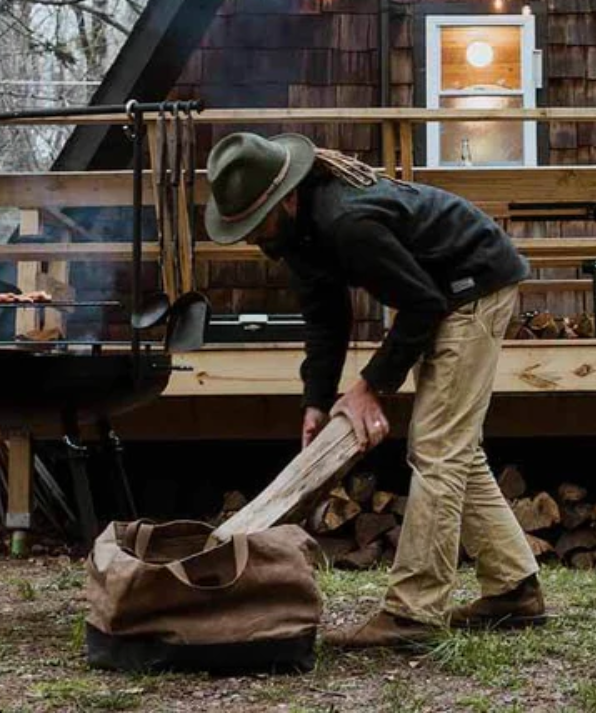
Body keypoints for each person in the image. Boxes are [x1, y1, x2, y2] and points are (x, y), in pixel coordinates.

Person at [204, 131, 545, 648]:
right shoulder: (295, 234)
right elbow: (326, 316)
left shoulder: (347, 222)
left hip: (473, 286)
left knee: (437, 449)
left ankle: (412, 614)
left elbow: (423, 306)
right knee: (454, 447)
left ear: (287, 197)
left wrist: (369, 387)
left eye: (259, 221)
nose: (255, 237)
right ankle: (513, 589)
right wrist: (317, 399)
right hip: (439, 292)